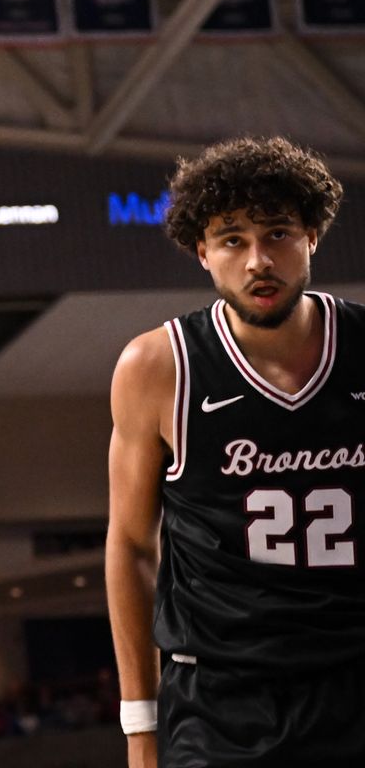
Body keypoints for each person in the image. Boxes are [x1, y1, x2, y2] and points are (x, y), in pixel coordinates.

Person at [105, 135, 365, 767]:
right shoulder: (159, 366)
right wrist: (140, 730)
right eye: (232, 240)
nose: (258, 260)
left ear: (312, 238)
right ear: (203, 251)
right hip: (221, 702)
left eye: (277, 233)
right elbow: (132, 547)